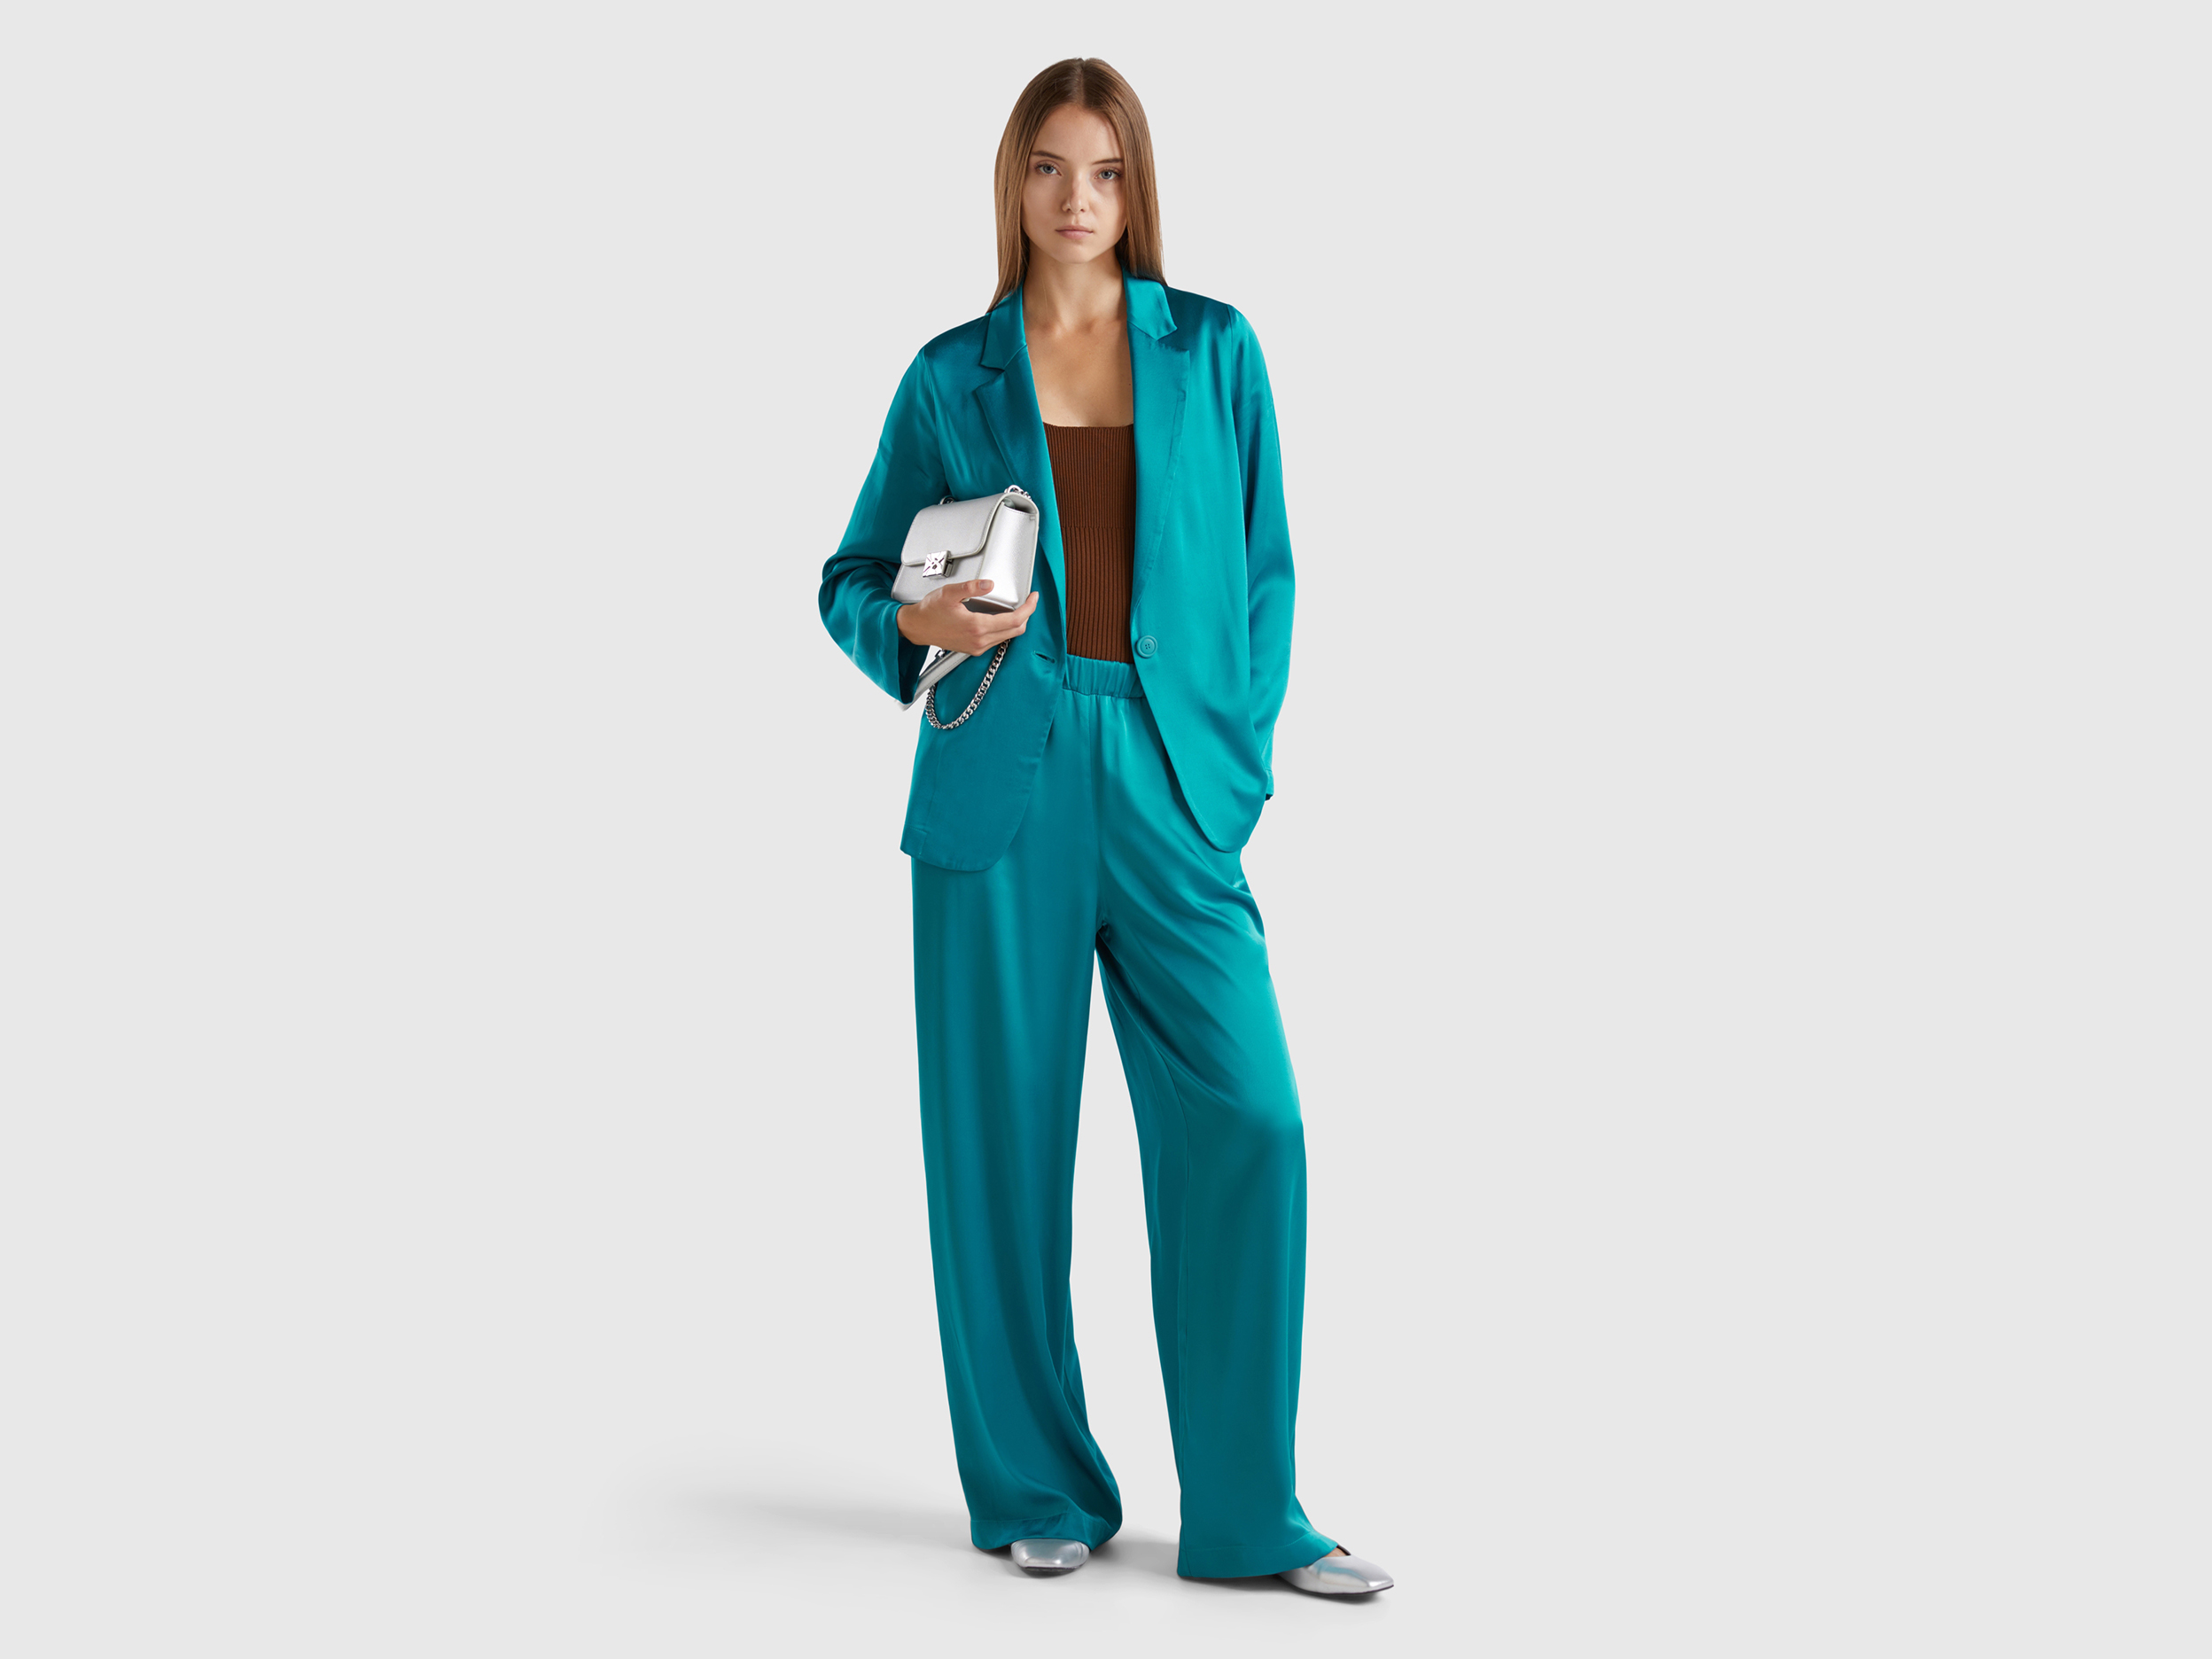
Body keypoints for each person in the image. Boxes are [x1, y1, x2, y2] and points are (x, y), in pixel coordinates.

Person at [816, 58, 1391, 1597]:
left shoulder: (1216, 351)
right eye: (1050, 168)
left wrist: (1231, 772)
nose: (1079, 200)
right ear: (1014, 182)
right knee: (1001, 1146)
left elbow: (1266, 573)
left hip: (1169, 772)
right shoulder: (951, 375)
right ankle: (1035, 1486)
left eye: (1108, 171)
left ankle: (1250, 1514)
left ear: (1139, 186)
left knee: (1252, 1121)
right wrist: (916, 623)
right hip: (996, 767)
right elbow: (850, 577)